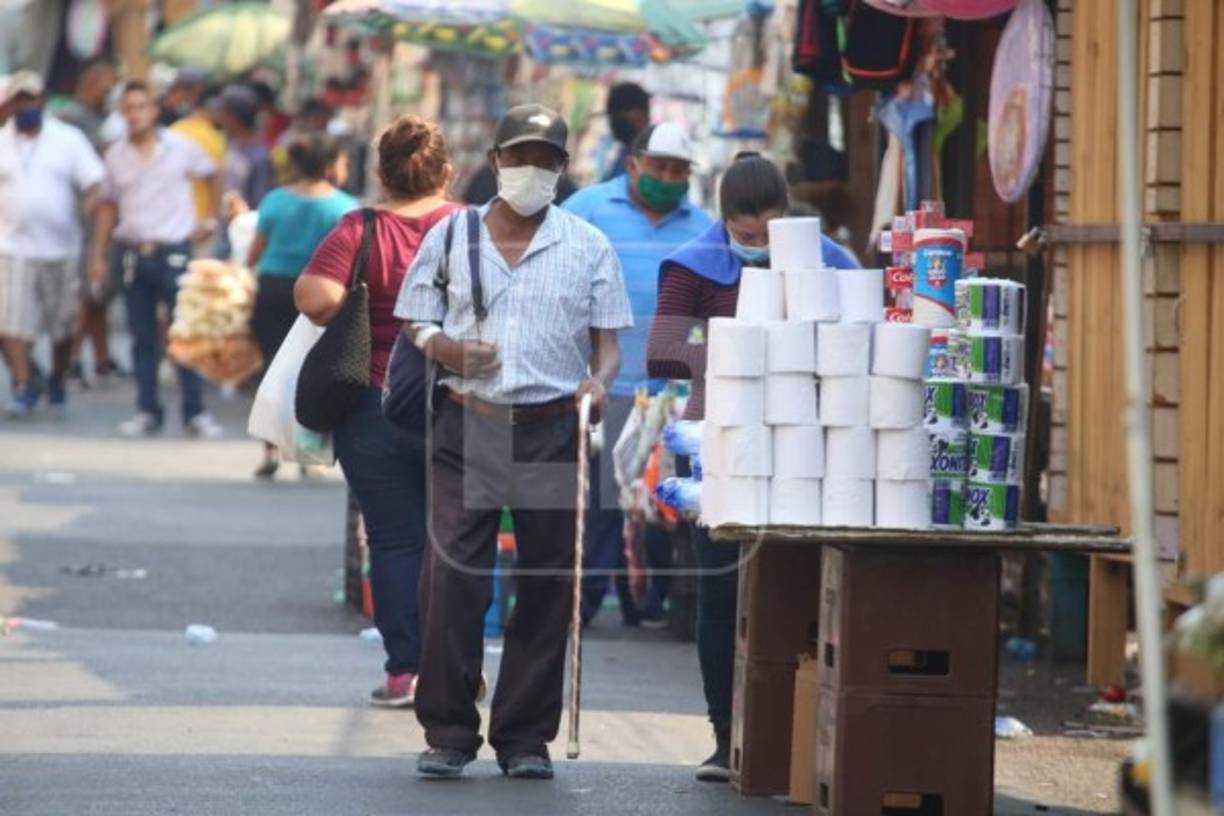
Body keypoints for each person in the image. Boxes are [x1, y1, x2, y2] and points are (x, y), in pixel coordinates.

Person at [397, 104, 632, 780]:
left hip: (548, 427)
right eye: (522, 155)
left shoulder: (586, 244)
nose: (533, 169)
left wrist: (599, 383)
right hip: (468, 424)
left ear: (562, 167)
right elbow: (415, 317)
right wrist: (443, 345)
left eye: (548, 158)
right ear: (496, 161)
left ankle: (525, 736)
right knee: (453, 577)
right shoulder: (449, 236)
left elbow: (609, 347)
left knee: (546, 582)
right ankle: (447, 728)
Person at [646, 152, 859, 782]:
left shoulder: (828, 262)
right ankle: (725, 735)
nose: (759, 246)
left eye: (770, 232)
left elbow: (858, 332)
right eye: (745, 236)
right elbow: (662, 349)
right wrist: (742, 344)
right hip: (723, 441)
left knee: (802, 586)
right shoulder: (694, 265)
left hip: (808, 443)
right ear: (723, 222)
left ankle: (800, 735)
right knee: (722, 592)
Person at [295, 115, 460, 708]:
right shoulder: (469, 229)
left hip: (374, 403)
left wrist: (357, 293)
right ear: (447, 172)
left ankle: (405, 672)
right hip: (458, 404)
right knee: (457, 541)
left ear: (382, 175)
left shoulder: (359, 229)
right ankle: (454, 668)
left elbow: (315, 299)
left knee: (394, 541)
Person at [563, 122, 713, 628]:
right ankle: (579, 611)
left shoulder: (703, 225)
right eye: (659, 168)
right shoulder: (586, 209)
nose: (668, 178)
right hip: (608, 387)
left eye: (678, 171)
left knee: (663, 503)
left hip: (673, 394)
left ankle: (647, 605)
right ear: (633, 164)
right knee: (604, 503)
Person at [90, 80, 223, 438]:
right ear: (121, 114)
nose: (134, 115)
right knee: (142, 337)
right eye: (128, 109)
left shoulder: (180, 148)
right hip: (134, 252)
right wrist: (98, 255)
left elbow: (213, 173)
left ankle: (195, 412)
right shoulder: (115, 155)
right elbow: (106, 207)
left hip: (175, 250)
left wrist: (209, 219)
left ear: (154, 110)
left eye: (141, 107)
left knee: (185, 335)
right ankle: (147, 410)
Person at [248, 133, 357, 479]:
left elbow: (256, 250)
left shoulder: (275, 201)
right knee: (312, 372)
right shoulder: (344, 208)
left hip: (274, 290)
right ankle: (309, 450)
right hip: (321, 296)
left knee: (272, 368)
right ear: (329, 167)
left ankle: (269, 449)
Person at [0, 71, 105, 419]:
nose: (27, 105)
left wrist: (91, 210)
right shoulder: (2, 140)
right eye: (21, 99)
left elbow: (94, 183)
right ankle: (22, 384)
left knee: (63, 326)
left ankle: (57, 375)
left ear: (42, 100)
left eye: (32, 98)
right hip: (12, 247)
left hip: (62, 248)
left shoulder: (68, 140)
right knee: (11, 321)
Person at [55, 58, 124, 388]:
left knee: (99, 294)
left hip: (102, 217)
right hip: (83, 219)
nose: (109, 93)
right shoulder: (72, 119)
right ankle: (71, 359)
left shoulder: (101, 118)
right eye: (106, 86)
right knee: (87, 292)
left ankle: (101, 357)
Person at [601, 82, 651, 181]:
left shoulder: (646, 160)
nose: (612, 125)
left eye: (616, 118)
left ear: (638, 116)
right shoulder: (628, 151)